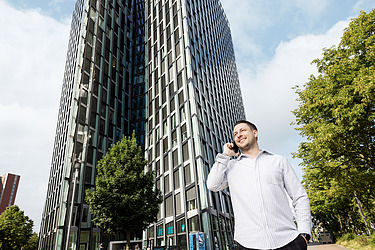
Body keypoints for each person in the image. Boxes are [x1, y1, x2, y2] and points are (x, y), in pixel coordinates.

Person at [207, 120, 312, 250]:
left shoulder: (278, 161)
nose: (238, 135)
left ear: (255, 133)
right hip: (247, 244)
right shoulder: (231, 167)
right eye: (235, 134)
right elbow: (212, 184)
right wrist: (225, 155)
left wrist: (304, 233)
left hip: (288, 241)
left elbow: (299, 197)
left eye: (242, 130)